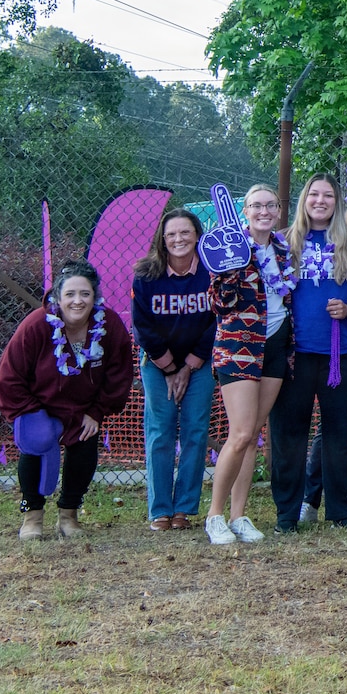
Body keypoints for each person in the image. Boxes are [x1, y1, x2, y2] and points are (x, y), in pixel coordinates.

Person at [271, 174, 347, 532]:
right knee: (289, 435)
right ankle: (287, 514)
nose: (320, 201)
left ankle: (341, 512)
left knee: (338, 435)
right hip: (294, 356)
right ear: (305, 199)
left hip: (342, 354)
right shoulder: (284, 242)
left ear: (338, 202)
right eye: (314, 194)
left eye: (328, 195)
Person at [0, 261, 135, 539]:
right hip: (39, 404)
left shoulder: (110, 326)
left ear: (95, 297)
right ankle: (32, 516)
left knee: (85, 447)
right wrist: (31, 414)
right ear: (57, 297)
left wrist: (97, 412)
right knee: (36, 444)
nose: (77, 301)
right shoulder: (36, 325)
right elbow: (9, 376)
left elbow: (120, 374)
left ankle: (68, 516)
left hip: (83, 408)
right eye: (70, 294)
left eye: (85, 294)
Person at [203, 183, 292, 545]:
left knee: (253, 433)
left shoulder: (284, 249)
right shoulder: (229, 246)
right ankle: (214, 515)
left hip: (275, 345)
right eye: (256, 206)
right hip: (239, 345)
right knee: (239, 434)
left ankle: (239, 516)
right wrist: (232, 270)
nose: (264, 211)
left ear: (278, 210)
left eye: (270, 205)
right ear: (245, 211)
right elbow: (220, 302)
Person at [131, 208, 214, 531]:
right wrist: (168, 367)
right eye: (171, 234)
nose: (179, 239)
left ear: (197, 235)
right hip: (157, 363)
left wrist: (191, 364)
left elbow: (218, 319)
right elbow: (142, 325)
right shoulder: (146, 274)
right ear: (162, 240)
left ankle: (184, 509)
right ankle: (160, 510)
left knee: (195, 431)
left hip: (200, 362)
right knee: (160, 432)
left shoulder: (211, 272)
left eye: (185, 232)